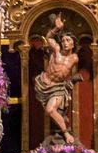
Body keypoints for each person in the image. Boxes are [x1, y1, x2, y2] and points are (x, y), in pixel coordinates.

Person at [34, 12, 81, 143]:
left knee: (51, 110)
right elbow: (49, 38)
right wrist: (57, 28)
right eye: (64, 40)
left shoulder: (75, 58)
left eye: (68, 40)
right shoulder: (57, 50)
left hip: (58, 87)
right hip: (44, 84)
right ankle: (62, 134)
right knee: (53, 112)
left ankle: (66, 135)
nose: (65, 43)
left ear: (73, 44)